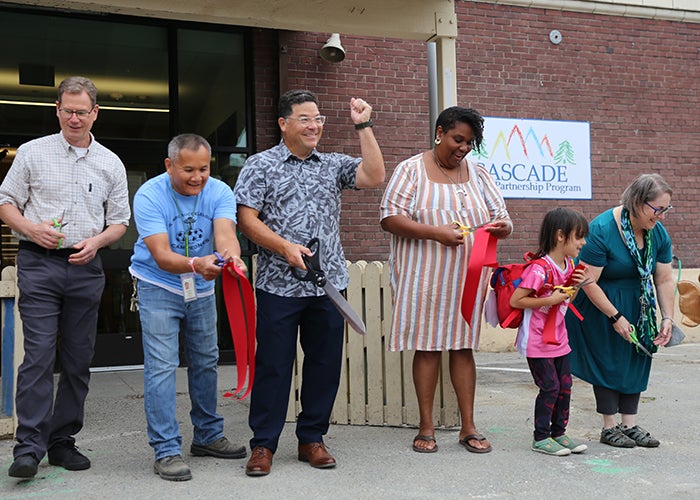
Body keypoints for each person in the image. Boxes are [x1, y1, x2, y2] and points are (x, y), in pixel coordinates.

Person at [235, 89, 384, 476]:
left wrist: (363, 125)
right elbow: (247, 221)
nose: (314, 125)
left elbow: (374, 175)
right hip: (278, 286)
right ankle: (263, 445)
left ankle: (312, 439)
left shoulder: (332, 164)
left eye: (318, 118)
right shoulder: (259, 165)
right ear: (283, 123)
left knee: (323, 365)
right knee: (273, 365)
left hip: (327, 285)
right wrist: (283, 247)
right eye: (305, 118)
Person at [0, 76, 130, 478]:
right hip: (39, 263)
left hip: (85, 266)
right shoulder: (32, 154)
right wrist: (31, 228)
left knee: (77, 361)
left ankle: (61, 443)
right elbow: (5, 202)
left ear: (95, 113)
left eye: (82, 111)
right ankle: (28, 448)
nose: (75, 118)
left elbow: (120, 222)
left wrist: (98, 242)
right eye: (67, 110)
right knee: (37, 358)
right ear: (57, 110)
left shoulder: (110, 162)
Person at [379, 106, 512, 454]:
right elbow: (389, 218)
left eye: (469, 143)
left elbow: (504, 220)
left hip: (466, 282)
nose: (463, 148)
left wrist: (502, 228)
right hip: (422, 277)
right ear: (439, 132)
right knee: (426, 347)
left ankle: (468, 426)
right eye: (457, 139)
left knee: (462, 347)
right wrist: (435, 233)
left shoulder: (479, 174)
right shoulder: (410, 170)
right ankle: (426, 426)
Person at [129, 134, 248, 481]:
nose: (197, 177)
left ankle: (208, 435)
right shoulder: (151, 194)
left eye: (204, 169)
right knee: (163, 366)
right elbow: (163, 256)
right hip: (158, 285)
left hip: (202, 287)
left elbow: (225, 236)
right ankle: (166, 449)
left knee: (206, 360)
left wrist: (232, 258)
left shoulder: (220, 192)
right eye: (188, 170)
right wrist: (197, 264)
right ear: (169, 165)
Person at [565, 173, 675, 448]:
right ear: (638, 203)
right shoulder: (602, 229)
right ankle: (609, 426)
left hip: (639, 304)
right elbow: (587, 279)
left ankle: (630, 424)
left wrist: (667, 317)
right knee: (609, 359)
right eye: (658, 209)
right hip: (601, 304)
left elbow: (662, 278)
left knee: (637, 356)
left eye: (666, 209)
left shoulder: (657, 232)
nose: (661, 216)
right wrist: (615, 316)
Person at [510, 208, 589, 456]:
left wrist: (573, 287)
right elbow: (516, 300)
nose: (583, 242)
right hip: (536, 340)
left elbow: (565, 299)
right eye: (579, 236)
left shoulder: (569, 265)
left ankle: (559, 433)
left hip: (559, 338)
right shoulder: (539, 269)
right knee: (550, 387)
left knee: (565, 386)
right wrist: (552, 299)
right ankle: (541, 437)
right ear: (560, 236)